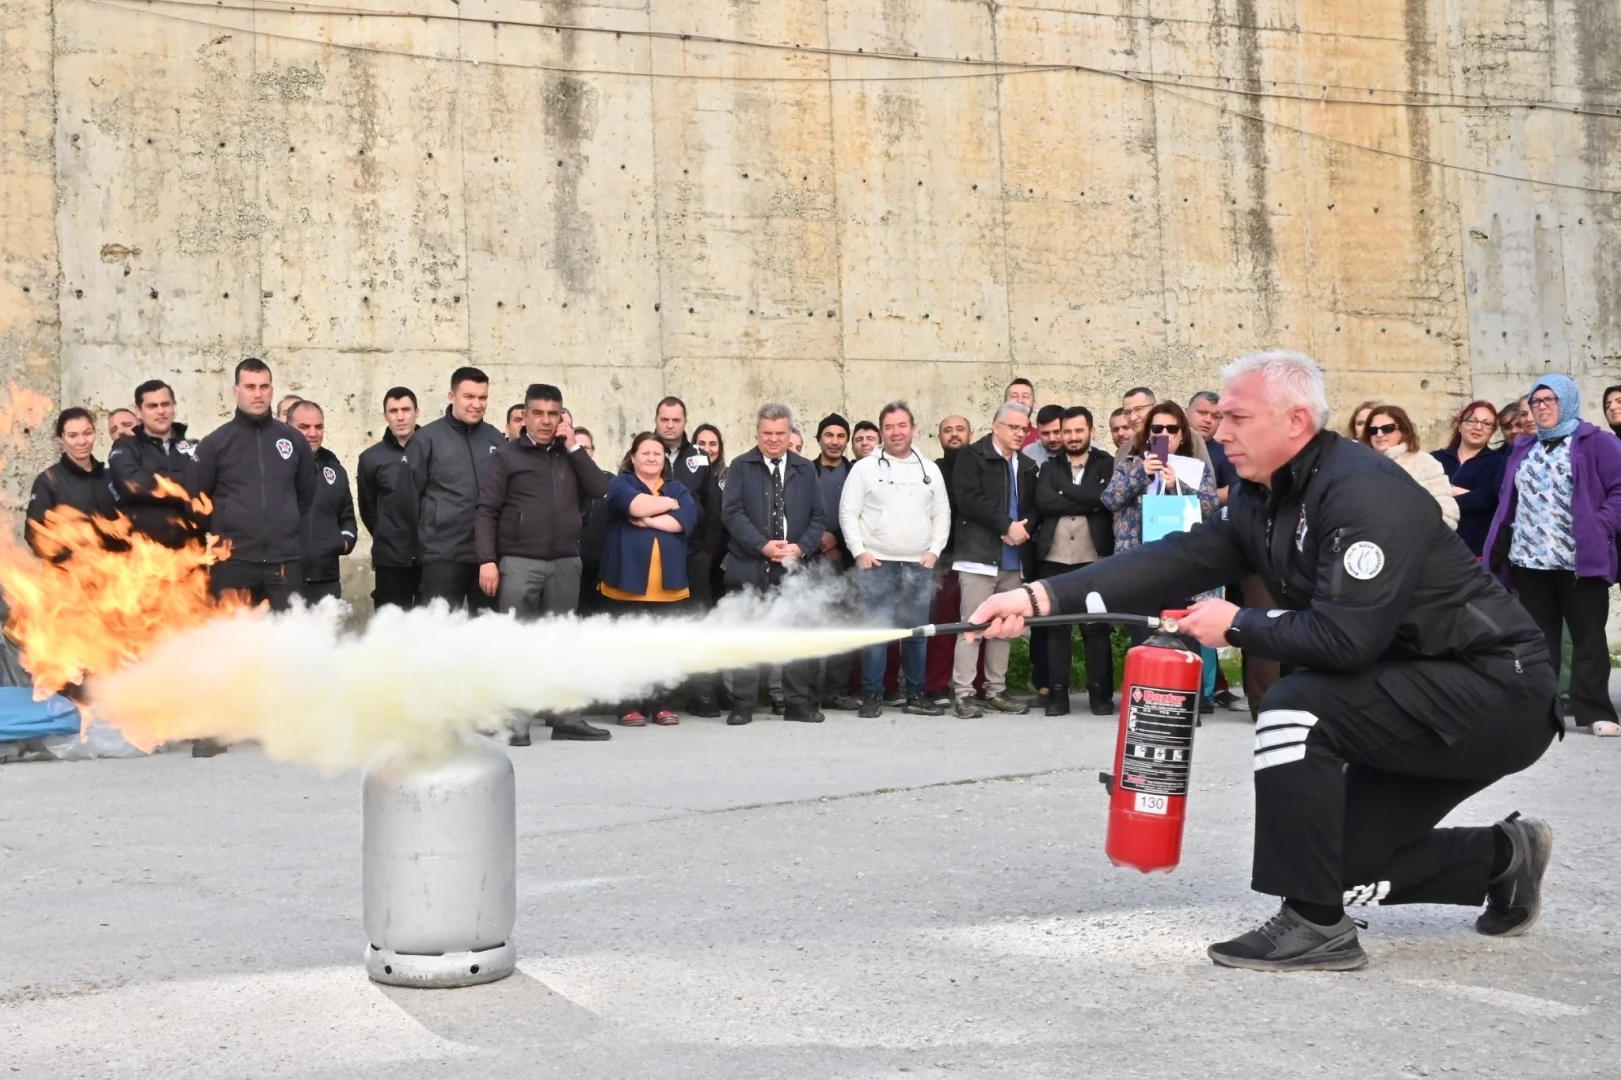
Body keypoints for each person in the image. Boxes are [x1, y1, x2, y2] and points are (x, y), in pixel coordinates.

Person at [969, 349, 1561, 972]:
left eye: (1237, 418)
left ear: (1296, 420)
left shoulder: (1363, 492)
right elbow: (1179, 557)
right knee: (1331, 862)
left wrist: (1238, 625)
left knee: (1294, 707)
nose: (1219, 432)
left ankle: (1314, 926)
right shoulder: (1265, 495)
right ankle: (1504, 858)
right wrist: (1038, 597)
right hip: (1417, 688)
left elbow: (1347, 639)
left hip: (1496, 689)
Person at [1484, 375, 1621, 738]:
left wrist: (1600, 525)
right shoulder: (1525, 446)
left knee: (1588, 636)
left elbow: (1619, 489)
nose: (1541, 407)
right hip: (1529, 558)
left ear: (1568, 401)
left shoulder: (1597, 442)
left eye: (1550, 399)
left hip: (1579, 558)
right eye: (1536, 401)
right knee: (1538, 638)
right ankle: (1542, 710)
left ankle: (1594, 709)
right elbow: (1510, 497)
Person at [476, 383, 611, 744]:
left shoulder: (570, 454)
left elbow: (599, 488)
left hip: (565, 562)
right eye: (538, 413)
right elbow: (486, 510)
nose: (546, 421)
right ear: (525, 416)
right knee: (518, 643)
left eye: (553, 414)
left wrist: (575, 447)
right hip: (519, 562)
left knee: (562, 642)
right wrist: (487, 560)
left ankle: (565, 717)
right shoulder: (506, 457)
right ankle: (515, 722)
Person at [840, 402, 950, 717]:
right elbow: (848, 512)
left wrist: (934, 551)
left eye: (902, 425)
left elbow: (942, 512)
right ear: (881, 432)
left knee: (916, 635)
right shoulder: (864, 468)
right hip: (878, 565)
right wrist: (859, 551)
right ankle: (873, 695)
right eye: (889, 427)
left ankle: (916, 695)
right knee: (876, 634)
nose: (896, 432)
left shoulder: (930, 470)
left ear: (913, 429)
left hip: (919, 565)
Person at [720, 403, 827, 725]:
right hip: (750, 565)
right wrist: (762, 545)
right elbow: (731, 513)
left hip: (794, 569)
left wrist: (802, 547)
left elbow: (818, 516)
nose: (773, 439)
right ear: (757, 432)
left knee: (795, 637)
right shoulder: (740, 466)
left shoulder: (805, 469)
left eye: (780, 433)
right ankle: (742, 705)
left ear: (789, 432)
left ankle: (796, 704)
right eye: (767, 433)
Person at [194, 358, 316, 610]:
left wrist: (284, 520)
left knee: (287, 633)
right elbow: (196, 500)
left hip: (284, 563)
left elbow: (305, 494)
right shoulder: (215, 443)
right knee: (233, 634)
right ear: (236, 391)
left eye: (264, 386)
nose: (258, 394)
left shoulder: (294, 441)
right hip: (232, 563)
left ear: (272, 390)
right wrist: (227, 526)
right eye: (250, 387)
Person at [599, 432, 700, 726]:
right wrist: (669, 505)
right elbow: (634, 506)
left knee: (663, 648)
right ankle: (628, 705)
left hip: (668, 587)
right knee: (626, 647)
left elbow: (684, 521)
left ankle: (661, 704)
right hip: (626, 585)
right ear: (633, 457)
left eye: (657, 453)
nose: (652, 458)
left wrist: (651, 520)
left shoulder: (677, 487)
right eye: (645, 453)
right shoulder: (621, 484)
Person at [949, 401, 1038, 718]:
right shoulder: (971, 457)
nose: (1020, 433)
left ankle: (996, 691)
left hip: (1013, 559)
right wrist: (1005, 526)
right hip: (978, 557)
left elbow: (1035, 505)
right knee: (972, 626)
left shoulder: (1027, 464)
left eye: (1024, 428)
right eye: (1013, 427)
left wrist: (1022, 529)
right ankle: (963, 694)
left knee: (1004, 628)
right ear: (995, 426)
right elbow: (968, 500)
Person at [1034, 406, 1115, 716]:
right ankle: (1058, 696)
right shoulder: (1049, 466)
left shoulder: (1106, 463)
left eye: (1078, 430)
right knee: (1056, 629)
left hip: (1093, 558)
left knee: (1096, 628)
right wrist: (1087, 499)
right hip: (1054, 559)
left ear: (1091, 431)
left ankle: (1100, 696)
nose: (1072, 436)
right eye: (1066, 431)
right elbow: (1044, 501)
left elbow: (1104, 499)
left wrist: (1066, 491)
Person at [409, 367, 505, 612]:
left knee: (488, 626)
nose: (477, 404)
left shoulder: (495, 439)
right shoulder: (426, 439)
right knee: (438, 627)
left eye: (482, 397)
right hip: (442, 557)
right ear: (452, 396)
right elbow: (408, 500)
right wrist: (428, 543)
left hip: (487, 558)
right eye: (469, 397)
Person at [654, 397, 725, 717]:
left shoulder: (700, 457)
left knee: (699, 624)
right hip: (657, 553)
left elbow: (712, 508)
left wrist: (708, 552)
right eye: (664, 419)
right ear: (656, 420)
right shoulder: (645, 451)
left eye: (676, 420)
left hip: (694, 554)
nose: (670, 425)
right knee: (660, 625)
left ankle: (702, 694)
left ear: (685, 422)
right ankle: (659, 698)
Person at [1102, 401, 1219, 555]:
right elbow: (1109, 500)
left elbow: (1211, 507)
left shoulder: (1195, 467)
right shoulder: (1131, 463)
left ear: (1182, 434)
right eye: (1157, 429)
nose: (1164, 434)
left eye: (1172, 429)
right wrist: (1141, 473)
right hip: (1135, 554)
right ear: (1149, 433)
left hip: (1180, 553)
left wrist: (1177, 486)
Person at [109, 379, 201, 549]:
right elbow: (133, 485)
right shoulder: (125, 446)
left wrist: (153, 482)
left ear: (174, 406)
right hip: (144, 554)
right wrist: (186, 488)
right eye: (152, 406)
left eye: (165, 404)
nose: (160, 411)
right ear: (139, 412)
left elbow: (207, 487)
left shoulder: (197, 447)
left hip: (191, 553)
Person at [811, 414, 860, 711]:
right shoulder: (805, 471)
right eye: (828, 435)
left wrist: (837, 540)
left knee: (844, 623)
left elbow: (863, 514)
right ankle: (806, 691)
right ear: (819, 439)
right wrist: (818, 538)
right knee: (809, 622)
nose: (834, 441)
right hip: (809, 559)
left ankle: (836, 690)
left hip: (845, 561)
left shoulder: (856, 472)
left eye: (841, 436)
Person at [925, 415, 975, 703]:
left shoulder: (981, 467)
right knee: (943, 625)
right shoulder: (932, 470)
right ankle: (937, 686)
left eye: (959, 429)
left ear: (971, 434)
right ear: (939, 437)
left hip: (977, 556)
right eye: (947, 430)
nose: (954, 435)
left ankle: (975, 686)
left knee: (976, 625)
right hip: (943, 559)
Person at [287, 400, 357, 602]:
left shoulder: (334, 468)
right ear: (288, 428)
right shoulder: (273, 466)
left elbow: (347, 516)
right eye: (304, 427)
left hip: (326, 579)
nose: (312, 433)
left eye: (318, 427)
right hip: (284, 581)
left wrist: (342, 542)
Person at [27, 408, 120, 558]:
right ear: (60, 438)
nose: (82, 441)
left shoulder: (110, 476)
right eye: (73, 435)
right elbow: (34, 534)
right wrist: (70, 554)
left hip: (117, 568)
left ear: (95, 433)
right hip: (73, 570)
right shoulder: (48, 481)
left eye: (87, 433)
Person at [1361, 405, 1459, 530]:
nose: (1379, 434)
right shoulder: (1361, 465)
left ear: (1403, 430)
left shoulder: (1424, 462)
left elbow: (1447, 514)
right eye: (1373, 430)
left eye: (1387, 428)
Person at [1432, 401, 1506, 556]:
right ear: (1459, 425)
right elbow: (1421, 496)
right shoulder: (1435, 459)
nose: (1478, 427)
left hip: (1474, 551)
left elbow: (1483, 501)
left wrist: (1442, 494)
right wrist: (1462, 493)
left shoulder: (1498, 462)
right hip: (1434, 546)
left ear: (1492, 431)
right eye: (1472, 421)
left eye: (1487, 424)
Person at [1117, 387, 1156, 460]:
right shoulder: (1123, 451)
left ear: (1154, 407)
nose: (1133, 418)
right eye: (1127, 412)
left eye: (1138, 409)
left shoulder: (1170, 440)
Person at [1006, 378, 1042, 451]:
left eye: (1025, 396)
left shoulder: (1042, 438)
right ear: (1005, 404)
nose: (1020, 401)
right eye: (1014, 396)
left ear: (1033, 404)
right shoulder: (996, 438)